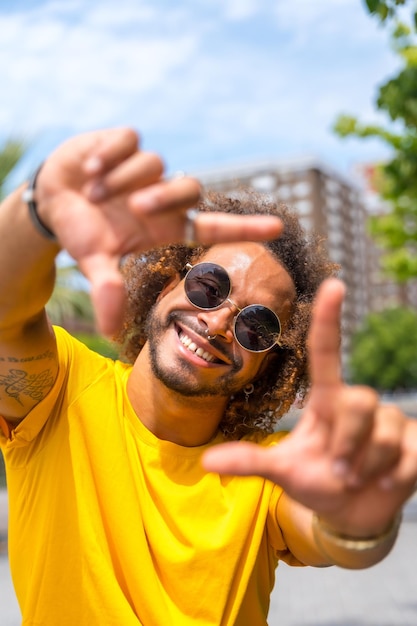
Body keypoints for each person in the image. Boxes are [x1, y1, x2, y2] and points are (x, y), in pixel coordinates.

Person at [0, 127, 416, 626]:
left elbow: (328, 533)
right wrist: (38, 213)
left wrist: (359, 523)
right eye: (207, 285)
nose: (219, 323)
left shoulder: (267, 468)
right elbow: (9, 313)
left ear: (271, 364)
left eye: (257, 326)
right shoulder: (61, 394)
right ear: (167, 280)